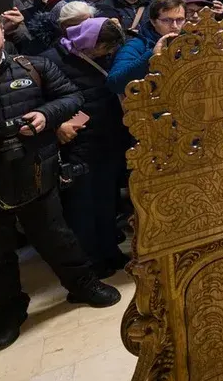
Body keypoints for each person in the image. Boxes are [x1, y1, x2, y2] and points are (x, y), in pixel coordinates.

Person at [0, 8, 120, 352]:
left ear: (2, 33)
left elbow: (71, 97)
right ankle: (8, 314)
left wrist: (46, 115)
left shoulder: (33, 67)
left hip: (34, 170)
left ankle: (83, 285)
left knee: (58, 238)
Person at [40, 16, 131, 278]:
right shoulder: (51, 60)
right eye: (102, 47)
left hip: (108, 137)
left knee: (106, 201)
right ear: (87, 40)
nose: (104, 52)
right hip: (77, 144)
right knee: (82, 206)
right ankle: (90, 261)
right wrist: (58, 125)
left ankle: (110, 251)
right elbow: (44, 100)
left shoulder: (107, 57)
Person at [106, 0, 187, 95]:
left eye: (180, 20)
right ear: (153, 21)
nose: (174, 26)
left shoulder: (191, 41)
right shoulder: (137, 45)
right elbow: (114, 83)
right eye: (167, 20)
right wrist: (151, 56)